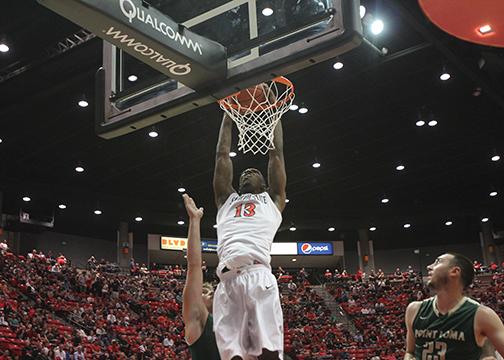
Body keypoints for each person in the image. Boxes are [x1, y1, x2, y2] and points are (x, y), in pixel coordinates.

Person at [213, 112, 286, 360]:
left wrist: (275, 112)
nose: (246, 173)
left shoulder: (272, 200)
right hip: (227, 282)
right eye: (244, 171)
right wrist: (228, 116)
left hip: (258, 277)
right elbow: (222, 155)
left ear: (265, 183)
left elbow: (276, 153)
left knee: (267, 355)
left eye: (253, 171)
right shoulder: (226, 199)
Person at [404, 253, 504, 359]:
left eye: (438, 262)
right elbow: (410, 352)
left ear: (454, 271)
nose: (429, 266)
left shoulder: (482, 315)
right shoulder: (414, 310)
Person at [181, 194, 220, 360]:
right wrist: (194, 221)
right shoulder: (199, 321)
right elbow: (194, 265)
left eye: (210, 291)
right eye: (204, 292)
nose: (208, 293)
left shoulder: (233, 323)